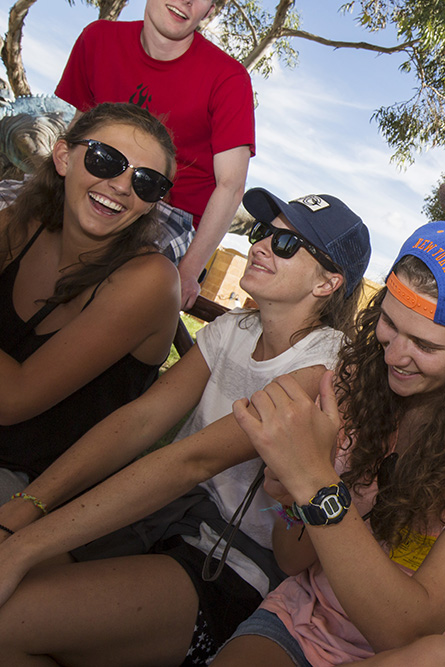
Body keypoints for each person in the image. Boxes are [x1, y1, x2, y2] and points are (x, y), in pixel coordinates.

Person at [0, 188, 371, 666]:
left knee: (13, 618)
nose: (259, 245)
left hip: (229, 560)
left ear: (327, 284)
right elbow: (139, 421)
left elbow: (192, 459)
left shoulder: (329, 365)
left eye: (284, 243)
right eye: (262, 232)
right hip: (153, 519)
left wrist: (24, 544)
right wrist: (28, 506)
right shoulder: (233, 330)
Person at [212, 221, 445, 666]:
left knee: (441, 659)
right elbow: (291, 557)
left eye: (425, 346)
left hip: (405, 655)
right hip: (303, 621)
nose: (392, 355)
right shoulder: (362, 381)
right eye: (389, 324)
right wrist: (294, 490)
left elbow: (403, 634)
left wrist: (317, 484)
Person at [0, 102, 180, 499]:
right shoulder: (21, 223)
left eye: (146, 182)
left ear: (152, 201)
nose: (121, 185)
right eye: (105, 160)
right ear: (64, 157)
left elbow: (12, 400)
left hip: (31, 493)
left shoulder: (149, 281)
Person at [56, 0, 255, 308]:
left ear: (210, 11)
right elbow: (80, 128)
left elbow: (230, 185)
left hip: (166, 211)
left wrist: (188, 272)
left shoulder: (229, 79)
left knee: (118, 280)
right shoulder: (97, 39)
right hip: (95, 183)